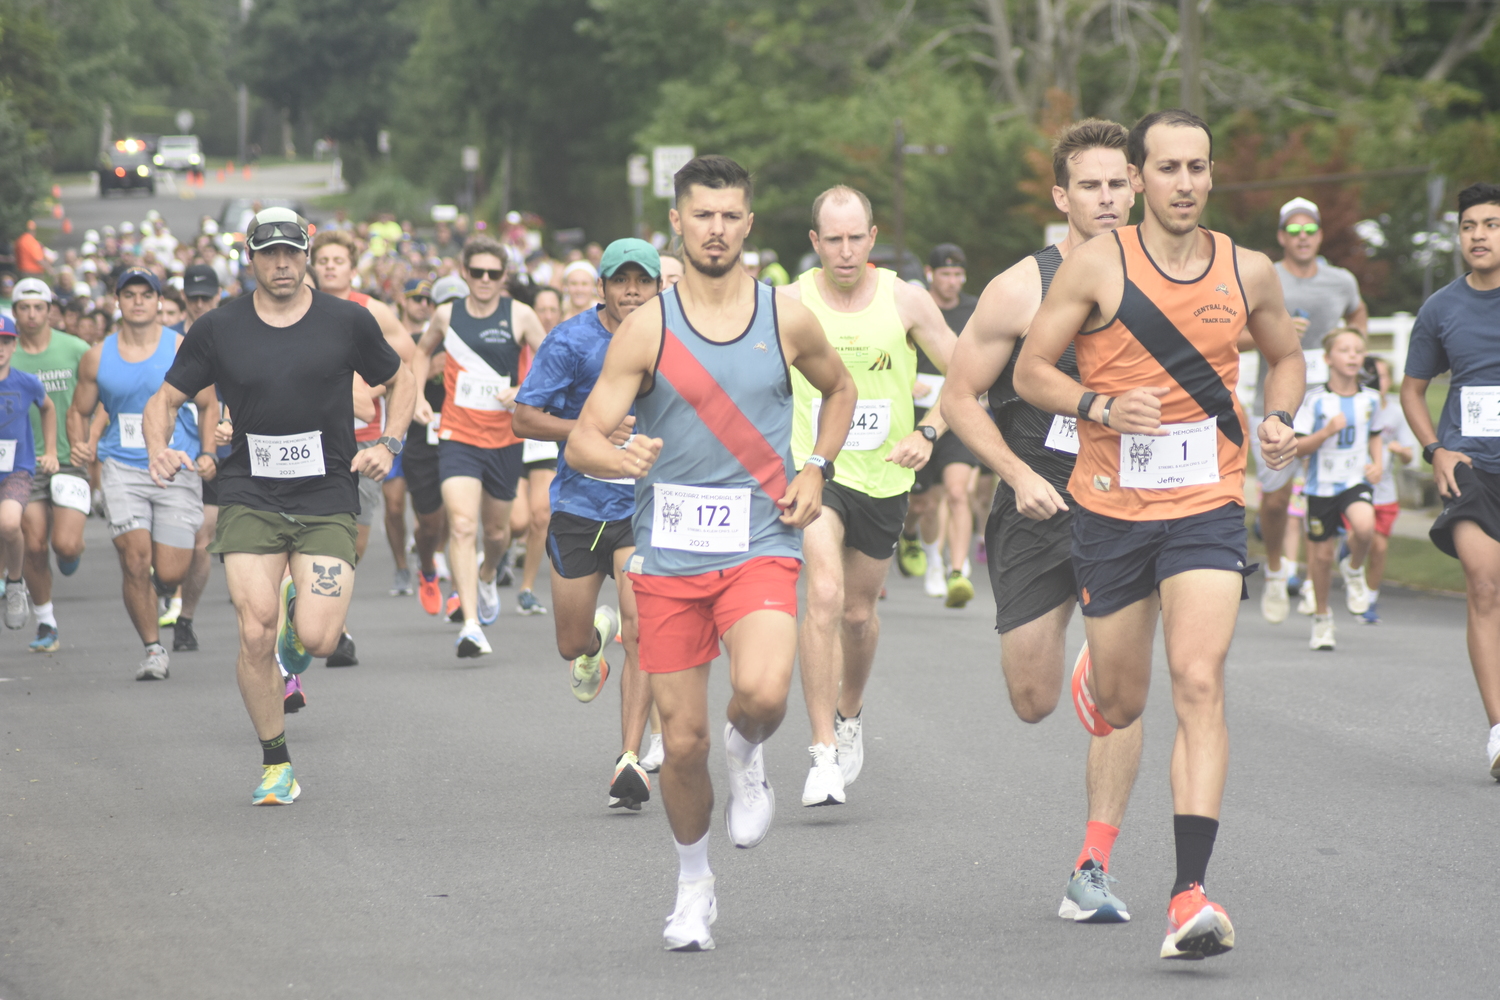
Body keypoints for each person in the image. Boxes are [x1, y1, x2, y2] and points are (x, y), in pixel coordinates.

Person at [1015, 109, 1304, 960]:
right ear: (1138, 178)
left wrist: (1281, 414)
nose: (1185, 183)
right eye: (1168, 168)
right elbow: (1031, 370)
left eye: (1199, 168)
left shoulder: (1248, 271)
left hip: (1208, 498)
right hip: (1109, 507)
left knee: (1199, 679)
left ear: (1213, 176)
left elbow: (1285, 355)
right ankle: (1099, 675)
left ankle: (1189, 894)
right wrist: (1100, 405)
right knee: (1126, 699)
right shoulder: (1096, 267)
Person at [567, 154, 855, 951]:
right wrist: (614, 459)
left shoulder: (784, 315)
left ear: (749, 224)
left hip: (761, 540)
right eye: (703, 215)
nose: (717, 229)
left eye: (731, 215)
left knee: (763, 695)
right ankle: (694, 884)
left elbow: (840, 391)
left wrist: (816, 466)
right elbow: (587, 437)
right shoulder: (647, 327)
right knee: (681, 743)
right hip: (669, 556)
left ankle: (750, 750)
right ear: (678, 224)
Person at [942, 118, 1146, 925]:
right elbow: (958, 396)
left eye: (1117, 183)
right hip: (1036, 499)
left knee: (1123, 693)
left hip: (1130, 504)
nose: (1106, 198)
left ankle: (1092, 865)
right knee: (1031, 698)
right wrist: (1018, 472)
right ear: (1063, 195)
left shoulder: (1166, 277)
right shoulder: (1021, 287)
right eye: (1089, 185)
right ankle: (1083, 668)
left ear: (1136, 185)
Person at [144, 207, 413, 804]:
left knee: (316, 640)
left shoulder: (347, 321)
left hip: (325, 493)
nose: (283, 263)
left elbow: (402, 379)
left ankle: (301, 618)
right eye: (270, 253)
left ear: (308, 253)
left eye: (292, 251)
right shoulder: (219, 328)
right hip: (250, 492)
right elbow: (164, 399)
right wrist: (158, 448)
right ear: (251, 258)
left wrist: (389, 443)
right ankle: (276, 762)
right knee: (254, 630)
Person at [781, 185, 957, 808]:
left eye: (856, 237)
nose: (846, 250)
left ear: (873, 237)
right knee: (822, 595)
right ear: (815, 242)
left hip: (885, 476)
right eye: (834, 239)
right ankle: (822, 751)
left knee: (858, 615)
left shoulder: (905, 300)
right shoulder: (789, 303)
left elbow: (970, 373)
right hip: (816, 473)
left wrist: (928, 432)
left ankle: (849, 712)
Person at [514, 238, 665, 810]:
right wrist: (589, 430)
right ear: (601, 287)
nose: (632, 290)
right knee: (569, 643)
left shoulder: (670, 341)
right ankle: (592, 643)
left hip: (639, 510)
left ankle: (628, 757)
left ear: (657, 287)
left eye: (642, 281)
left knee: (644, 629)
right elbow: (524, 418)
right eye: (621, 280)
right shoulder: (572, 340)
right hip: (578, 507)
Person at [70, 268, 219, 681]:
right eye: (129, 294)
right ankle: (153, 650)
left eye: (146, 294)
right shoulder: (98, 355)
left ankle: (163, 591)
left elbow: (208, 404)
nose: (138, 301)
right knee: (135, 560)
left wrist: (208, 452)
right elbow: (79, 410)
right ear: (117, 301)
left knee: (170, 571)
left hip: (177, 465)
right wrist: (80, 444)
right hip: (122, 467)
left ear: (158, 302)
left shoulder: (182, 347)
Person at [1399, 181, 1500, 781]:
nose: (1480, 235)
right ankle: (1498, 731)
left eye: (1490, 224)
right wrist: (1435, 450)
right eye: (1470, 226)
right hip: (1469, 467)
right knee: (1484, 585)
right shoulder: (1441, 308)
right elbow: (1412, 390)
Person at [411, 236, 547, 656]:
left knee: (496, 531)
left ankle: (489, 573)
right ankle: (470, 624)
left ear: (503, 276)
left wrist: (524, 389)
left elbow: (551, 364)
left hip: (505, 438)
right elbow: (421, 352)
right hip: (458, 435)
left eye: (493, 273)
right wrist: (416, 396)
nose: (485, 280)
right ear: (465, 274)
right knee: (463, 524)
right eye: (477, 273)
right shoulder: (447, 314)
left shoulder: (520, 315)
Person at [1252, 197, 1367, 624]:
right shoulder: (1267, 276)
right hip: (1275, 401)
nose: (1303, 238)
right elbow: (1235, 328)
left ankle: (1323, 579)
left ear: (1319, 235)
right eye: (1293, 232)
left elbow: (1357, 312)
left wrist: (1353, 346)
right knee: (1278, 497)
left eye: (1310, 231)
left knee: (1328, 493)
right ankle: (1278, 569)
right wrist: (1277, 331)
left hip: (1327, 400)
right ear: (1283, 237)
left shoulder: (1340, 281)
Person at [310, 228, 416, 666]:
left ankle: (332, 618)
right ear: (312, 267)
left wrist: (369, 392)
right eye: (324, 260)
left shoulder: (372, 312)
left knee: (352, 542)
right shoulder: (301, 310)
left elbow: (406, 361)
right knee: (312, 533)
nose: (331, 266)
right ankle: (334, 630)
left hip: (365, 443)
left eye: (339, 260)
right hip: (313, 441)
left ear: (353, 269)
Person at [11, 279, 91, 651]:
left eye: (38, 307)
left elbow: (102, 396)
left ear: (49, 310)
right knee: (35, 544)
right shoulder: (7, 353)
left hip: (69, 459)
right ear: (14, 313)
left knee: (67, 545)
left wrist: (88, 442)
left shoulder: (75, 348)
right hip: (24, 464)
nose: (31, 314)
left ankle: (71, 553)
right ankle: (46, 623)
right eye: (24, 308)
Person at [900, 243, 982, 604]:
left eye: (958, 274)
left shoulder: (975, 308)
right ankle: (926, 552)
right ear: (931, 275)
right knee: (924, 505)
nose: (952, 281)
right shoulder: (915, 306)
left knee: (958, 492)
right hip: (919, 416)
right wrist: (907, 381)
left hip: (958, 412)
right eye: (945, 274)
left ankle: (957, 570)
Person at [1292, 328, 1382, 650]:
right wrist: (1326, 432)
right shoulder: (1316, 400)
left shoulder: (1370, 398)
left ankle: (1354, 568)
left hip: (1354, 479)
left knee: (1365, 525)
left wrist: (1378, 462)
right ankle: (1321, 618)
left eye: (1358, 350)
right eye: (1345, 350)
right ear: (1329, 359)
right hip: (1321, 486)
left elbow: (1375, 433)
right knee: (1321, 557)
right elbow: (1299, 447)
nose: (1353, 356)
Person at [173, 265, 228, 653]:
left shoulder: (235, 334)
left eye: (206, 296)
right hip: (175, 452)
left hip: (221, 451)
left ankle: (185, 619)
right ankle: (166, 586)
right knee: (172, 546)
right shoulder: (168, 342)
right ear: (183, 299)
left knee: (201, 539)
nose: (199, 303)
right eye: (193, 296)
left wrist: (231, 421)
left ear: (218, 296)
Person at [1, 315, 59, 631]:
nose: (0, 348)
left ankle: (14, 583)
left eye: (5, 341)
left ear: (14, 344)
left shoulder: (27, 382)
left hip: (17, 469)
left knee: (10, 523)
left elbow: (48, 408)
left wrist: (50, 450)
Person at [382, 278, 437, 597]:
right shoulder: (391, 337)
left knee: (425, 507)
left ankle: (428, 557)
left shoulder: (434, 337)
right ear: (404, 300)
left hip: (423, 432)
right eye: (417, 299)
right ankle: (401, 566)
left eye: (428, 300)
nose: (423, 305)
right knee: (393, 505)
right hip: (392, 428)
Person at [513, 285, 566, 614]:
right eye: (541, 309)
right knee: (515, 523)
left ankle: (527, 587)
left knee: (540, 516)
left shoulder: (566, 344)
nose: (546, 315)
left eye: (552, 309)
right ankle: (494, 561)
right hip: (507, 435)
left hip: (542, 438)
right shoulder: (514, 343)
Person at [1358, 357, 1417, 624]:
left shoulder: (1395, 413)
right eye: (1372, 376)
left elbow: (1409, 457)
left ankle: (1369, 598)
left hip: (1385, 492)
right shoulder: (1357, 405)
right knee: (1360, 536)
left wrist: (1400, 451)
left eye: (1381, 376)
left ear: (1389, 380)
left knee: (1379, 548)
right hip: (1355, 488)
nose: (1376, 382)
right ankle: (1351, 580)